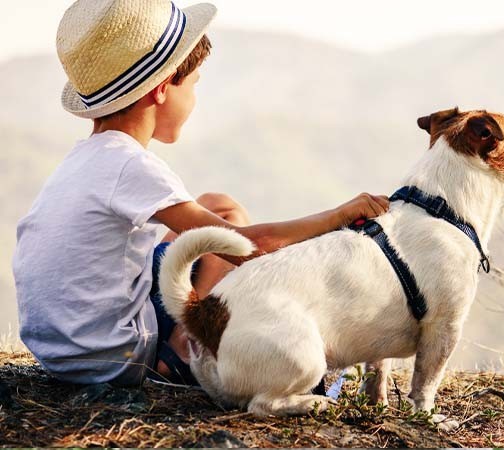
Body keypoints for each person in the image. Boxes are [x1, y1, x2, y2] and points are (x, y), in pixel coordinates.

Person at [12, 0, 388, 387]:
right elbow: (251, 245)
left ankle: (180, 339)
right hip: (113, 354)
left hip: (62, 349)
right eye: (192, 86)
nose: (194, 98)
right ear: (161, 90)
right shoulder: (131, 165)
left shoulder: (87, 158)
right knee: (231, 225)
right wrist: (340, 216)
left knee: (217, 206)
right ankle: (182, 353)